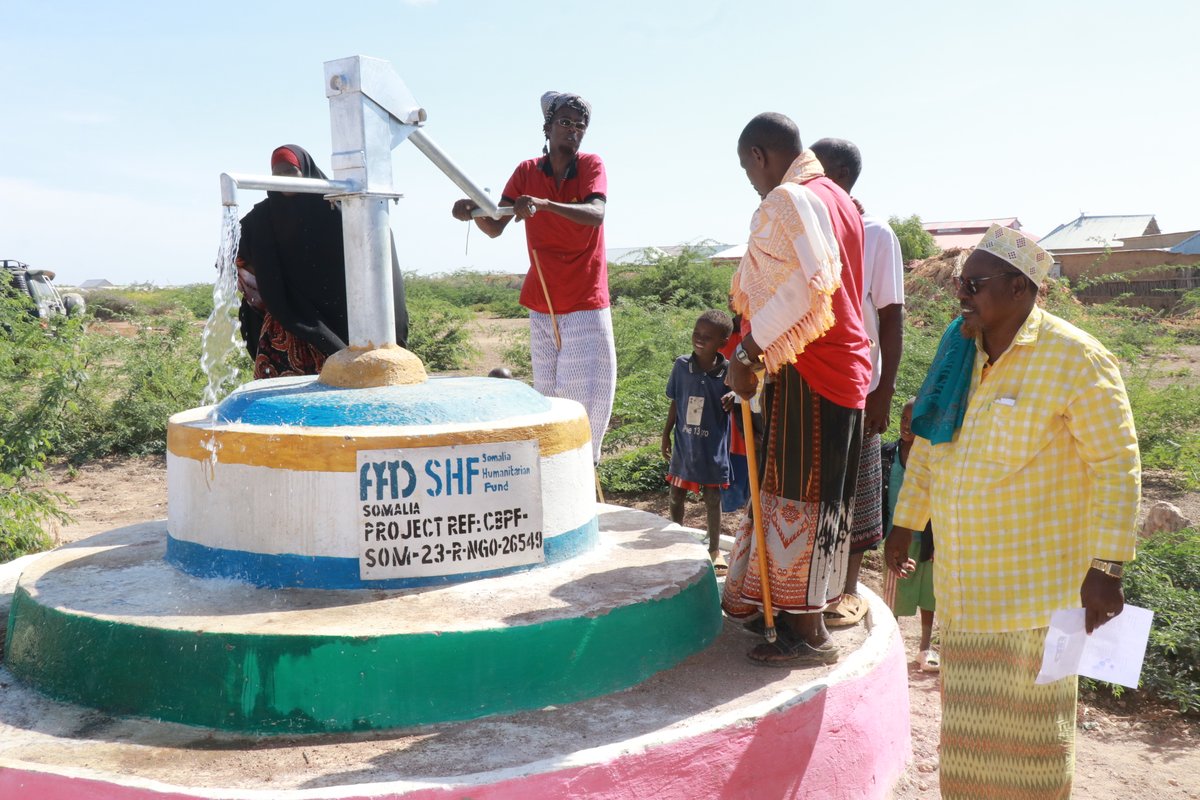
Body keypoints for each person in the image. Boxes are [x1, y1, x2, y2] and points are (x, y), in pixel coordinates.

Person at [886, 224, 1140, 799]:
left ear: (1021, 287)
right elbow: (929, 443)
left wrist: (1109, 566)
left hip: (1039, 598)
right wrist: (905, 524)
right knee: (971, 750)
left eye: (975, 284)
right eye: (961, 283)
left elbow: (1117, 466)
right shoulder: (959, 353)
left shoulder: (1077, 358)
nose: (962, 295)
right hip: (968, 591)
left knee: (1036, 751)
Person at [722, 113, 872, 667]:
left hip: (813, 370)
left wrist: (746, 351)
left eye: (747, 168)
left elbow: (803, 288)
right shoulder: (836, 194)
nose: (751, 181)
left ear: (761, 155)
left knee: (796, 496)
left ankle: (806, 634)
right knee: (822, 499)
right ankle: (799, 614)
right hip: (845, 369)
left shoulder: (788, 201)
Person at [451, 92, 614, 464]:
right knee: (550, 395)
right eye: (566, 123)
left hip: (584, 298)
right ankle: (555, 471)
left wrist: (544, 205)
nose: (573, 131)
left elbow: (596, 213)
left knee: (582, 398)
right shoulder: (528, 171)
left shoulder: (591, 164)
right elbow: (495, 226)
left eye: (580, 125)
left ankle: (579, 473)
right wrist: (471, 211)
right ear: (549, 126)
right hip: (543, 299)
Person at [809, 138, 905, 628]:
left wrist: (884, 391)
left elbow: (891, 317)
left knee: (858, 493)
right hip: (808, 387)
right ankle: (805, 588)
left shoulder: (875, 234)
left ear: (840, 173)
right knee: (811, 490)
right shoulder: (803, 226)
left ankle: (845, 590)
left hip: (858, 386)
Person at [237, 144, 409, 379]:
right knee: (278, 405)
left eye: (290, 172)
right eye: (278, 174)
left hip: (343, 326)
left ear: (305, 172)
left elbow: (377, 253)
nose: (284, 179)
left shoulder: (338, 210)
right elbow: (233, 256)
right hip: (286, 325)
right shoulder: (261, 219)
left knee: (345, 395)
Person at [661, 309, 735, 574]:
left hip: (712, 447)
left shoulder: (729, 372)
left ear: (723, 342)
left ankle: (714, 549)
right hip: (685, 444)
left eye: (708, 336)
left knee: (712, 497)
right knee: (676, 493)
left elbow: (746, 394)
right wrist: (665, 433)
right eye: (696, 334)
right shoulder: (682, 366)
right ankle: (676, 540)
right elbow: (674, 402)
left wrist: (735, 396)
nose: (700, 339)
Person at [880, 397, 939, 672]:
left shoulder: (933, 462)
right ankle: (891, 645)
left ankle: (925, 648)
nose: (906, 426)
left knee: (929, 594)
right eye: (903, 420)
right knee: (894, 592)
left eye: (912, 422)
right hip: (896, 536)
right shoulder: (889, 454)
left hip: (927, 538)